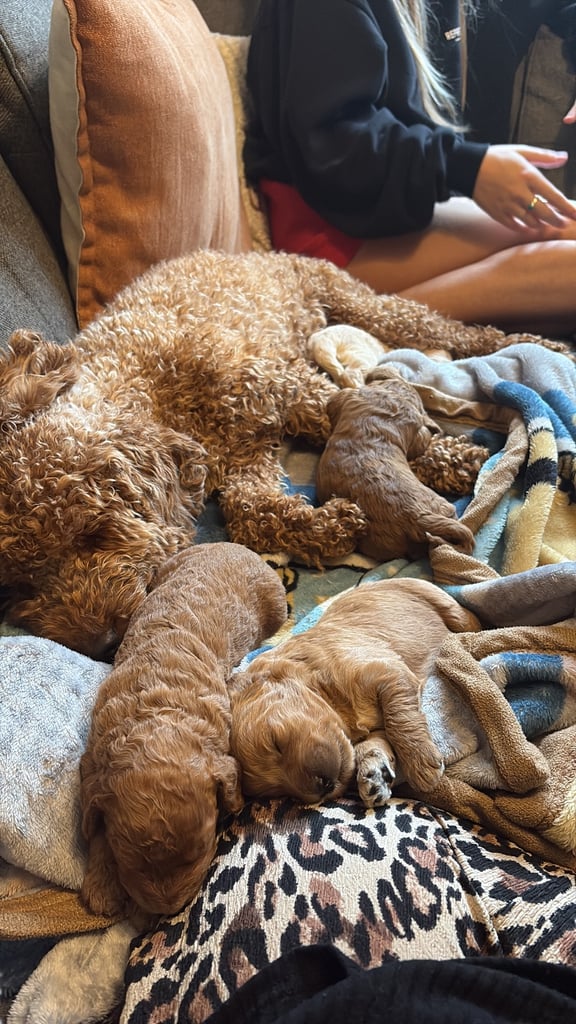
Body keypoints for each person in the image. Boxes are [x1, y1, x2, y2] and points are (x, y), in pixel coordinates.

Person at [242, 0, 576, 335]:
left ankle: (375, 321)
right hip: (329, 229)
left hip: (392, 210)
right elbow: (334, 148)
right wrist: (468, 168)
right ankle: (359, 323)